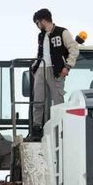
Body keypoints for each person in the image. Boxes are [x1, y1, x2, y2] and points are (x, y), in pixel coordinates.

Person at [28, 8, 79, 141]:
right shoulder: (41, 35)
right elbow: (40, 53)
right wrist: (35, 68)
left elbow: (74, 49)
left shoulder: (62, 32)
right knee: (38, 100)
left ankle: (59, 129)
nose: (37, 26)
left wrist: (67, 66)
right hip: (41, 68)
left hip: (56, 70)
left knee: (57, 101)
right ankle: (36, 129)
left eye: (37, 23)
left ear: (43, 21)